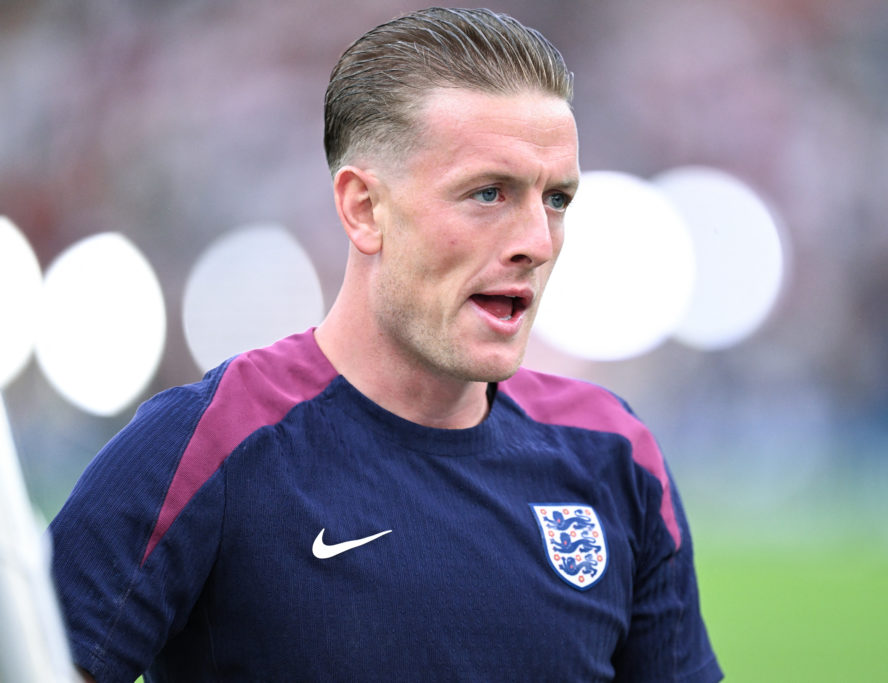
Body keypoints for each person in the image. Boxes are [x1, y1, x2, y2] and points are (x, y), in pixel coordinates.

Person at [49, 7, 723, 682]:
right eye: (489, 193)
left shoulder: (615, 454)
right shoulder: (206, 443)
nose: (537, 243)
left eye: (557, 199)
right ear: (364, 209)